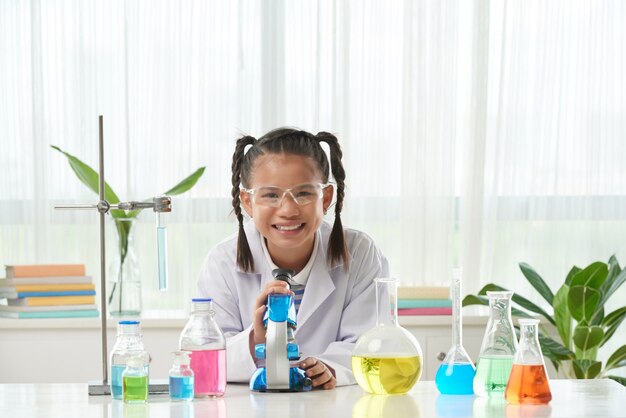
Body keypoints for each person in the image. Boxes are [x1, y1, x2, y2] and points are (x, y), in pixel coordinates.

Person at [196, 127, 389, 389]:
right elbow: (206, 358)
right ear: (248, 202)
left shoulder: (360, 253)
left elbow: (371, 343)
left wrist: (329, 368)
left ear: (326, 198)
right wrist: (255, 341)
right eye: (271, 195)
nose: (288, 210)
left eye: (303, 193)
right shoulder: (222, 263)